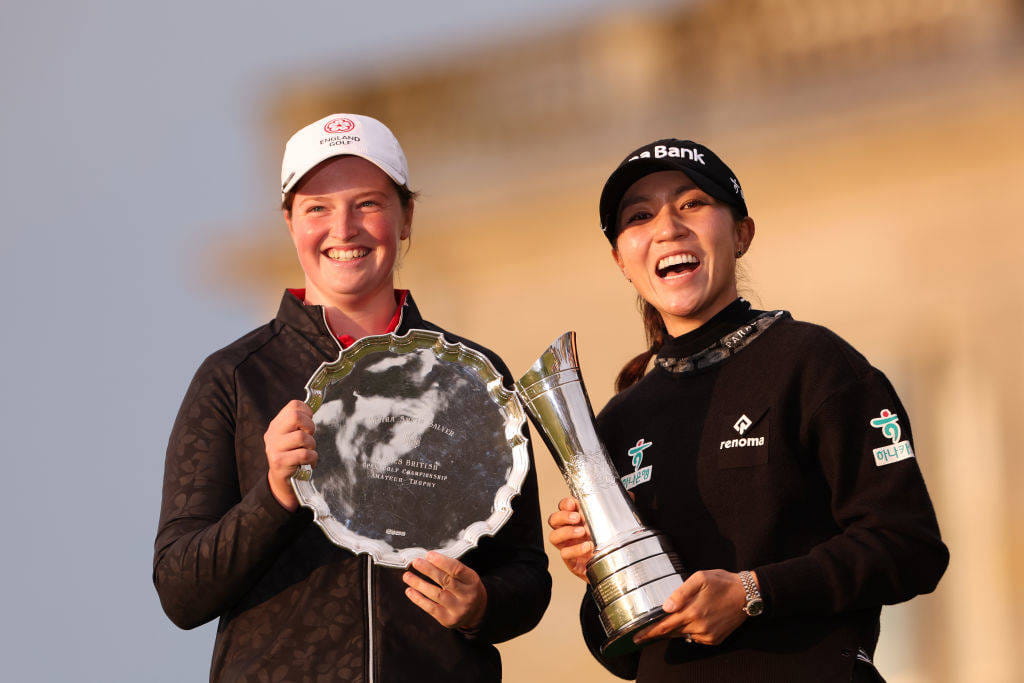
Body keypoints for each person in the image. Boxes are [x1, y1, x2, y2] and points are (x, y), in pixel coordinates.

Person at [154, 113, 550, 682]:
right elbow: (180, 590)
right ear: (290, 223)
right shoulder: (234, 378)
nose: (344, 228)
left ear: (406, 217)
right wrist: (274, 496)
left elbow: (527, 572)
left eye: (368, 203)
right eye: (317, 207)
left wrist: (481, 605)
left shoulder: (473, 376)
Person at [547, 139, 948, 682]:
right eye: (640, 216)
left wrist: (753, 593)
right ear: (621, 259)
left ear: (741, 234)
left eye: (691, 204)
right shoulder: (620, 419)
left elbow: (909, 547)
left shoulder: (814, 363)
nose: (668, 228)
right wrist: (604, 576)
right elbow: (621, 654)